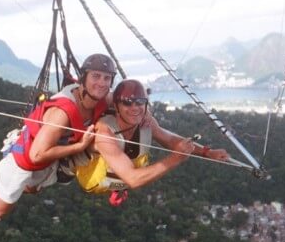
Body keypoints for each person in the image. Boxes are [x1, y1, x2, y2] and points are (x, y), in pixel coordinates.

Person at [0, 54, 118, 242]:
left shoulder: (102, 98)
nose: (101, 83)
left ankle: (1, 192)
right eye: (96, 76)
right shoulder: (62, 113)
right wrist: (79, 146)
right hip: (23, 160)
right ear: (84, 77)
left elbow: (128, 106)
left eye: (106, 78)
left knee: (32, 189)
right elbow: (36, 155)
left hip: (48, 159)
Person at [68, 79, 230, 199]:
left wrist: (206, 152)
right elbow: (132, 179)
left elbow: (169, 139)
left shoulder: (146, 120)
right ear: (116, 106)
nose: (134, 108)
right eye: (127, 103)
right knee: (128, 169)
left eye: (140, 102)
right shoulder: (104, 132)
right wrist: (175, 159)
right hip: (96, 180)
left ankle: (119, 184)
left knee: (144, 137)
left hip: (122, 174)